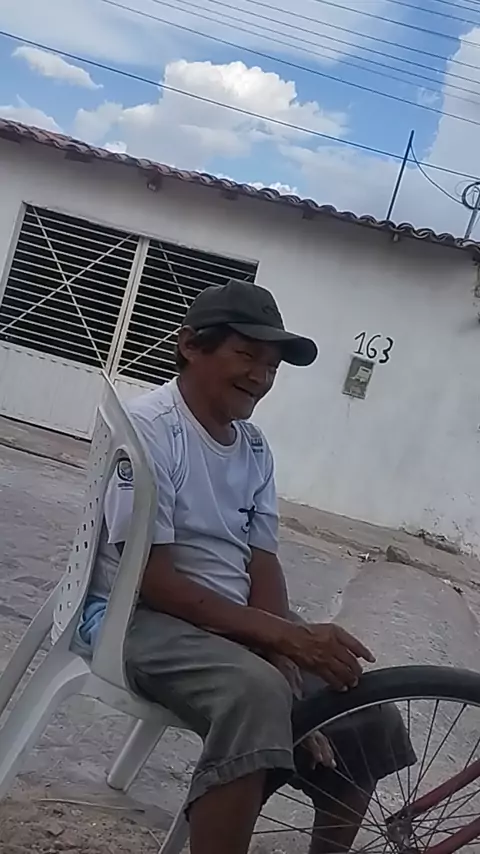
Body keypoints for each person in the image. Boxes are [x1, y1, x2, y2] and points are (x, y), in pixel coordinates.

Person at [80, 279, 416, 854]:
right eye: (246, 355)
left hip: (226, 621)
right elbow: (152, 580)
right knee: (257, 694)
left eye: (272, 365)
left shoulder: (254, 448)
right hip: (133, 615)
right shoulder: (151, 430)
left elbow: (262, 559)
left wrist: (278, 642)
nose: (260, 376)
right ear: (191, 345)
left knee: (361, 705)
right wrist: (271, 643)